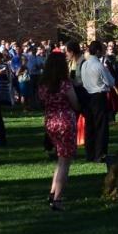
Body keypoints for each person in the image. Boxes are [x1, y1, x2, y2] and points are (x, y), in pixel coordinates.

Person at [39, 51, 79, 210]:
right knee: (65, 162)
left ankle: (52, 193)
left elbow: (42, 102)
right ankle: (57, 200)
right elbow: (75, 103)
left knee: (60, 159)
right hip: (65, 121)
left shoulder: (43, 84)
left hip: (50, 121)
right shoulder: (65, 83)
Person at [80, 41, 117, 161]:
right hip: (98, 95)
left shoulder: (84, 64)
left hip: (87, 95)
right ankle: (100, 153)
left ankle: (89, 153)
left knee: (89, 126)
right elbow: (110, 82)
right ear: (97, 51)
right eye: (101, 49)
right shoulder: (99, 65)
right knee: (101, 126)